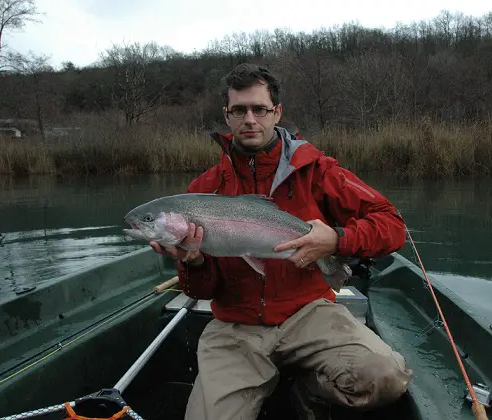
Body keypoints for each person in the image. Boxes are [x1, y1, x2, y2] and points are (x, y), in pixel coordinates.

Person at [150, 63, 413, 420]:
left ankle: (307, 390)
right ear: (227, 117)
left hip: (310, 313)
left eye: (259, 109)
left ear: (277, 113)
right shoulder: (202, 191)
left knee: (386, 379)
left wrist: (337, 240)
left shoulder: (318, 170)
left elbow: (392, 224)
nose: (250, 119)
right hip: (236, 326)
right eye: (239, 110)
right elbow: (203, 291)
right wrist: (192, 262)